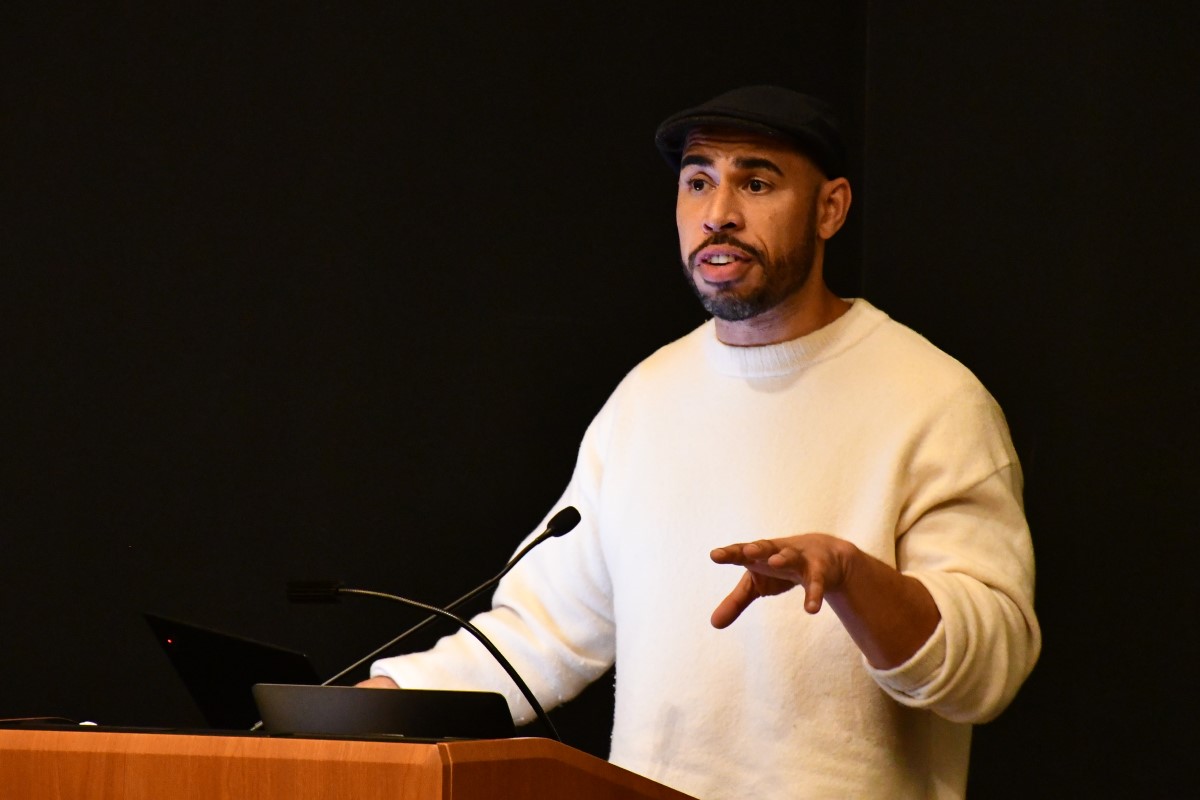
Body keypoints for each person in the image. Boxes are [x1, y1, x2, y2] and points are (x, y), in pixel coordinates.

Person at [360, 85, 1041, 799]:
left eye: (756, 183)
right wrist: (366, 707)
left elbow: (988, 671)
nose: (719, 214)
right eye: (698, 182)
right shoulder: (647, 397)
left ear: (831, 208)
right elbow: (539, 632)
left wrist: (851, 577)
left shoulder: (933, 398)